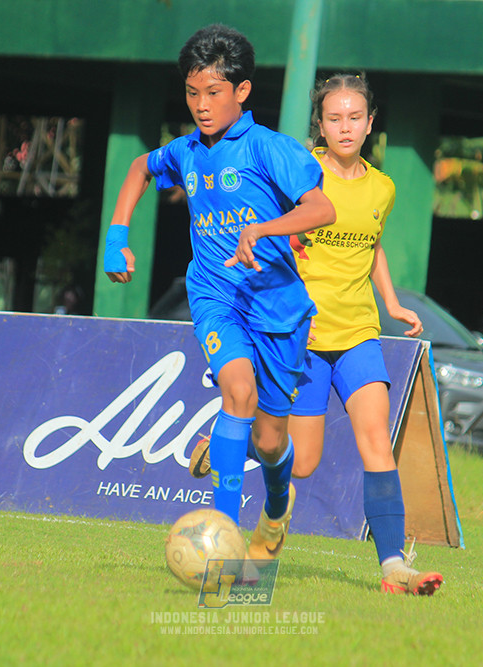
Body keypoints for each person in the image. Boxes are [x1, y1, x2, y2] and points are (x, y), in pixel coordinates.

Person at [190, 73, 443, 595]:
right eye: (334, 118)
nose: (345, 127)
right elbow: (256, 226)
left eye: (355, 117)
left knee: (377, 442)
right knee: (300, 462)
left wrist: (392, 303)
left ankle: (393, 568)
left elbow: (372, 244)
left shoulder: (383, 188)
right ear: (320, 126)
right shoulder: (295, 172)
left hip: (358, 333)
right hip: (299, 337)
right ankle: (227, 447)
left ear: (370, 124)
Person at [103, 24, 336, 561]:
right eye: (192, 93)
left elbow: (322, 209)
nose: (201, 106)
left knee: (272, 442)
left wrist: (262, 230)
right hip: (215, 298)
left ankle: (275, 507)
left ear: (242, 90)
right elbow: (140, 167)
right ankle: (223, 540)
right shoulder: (185, 151)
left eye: (213, 92)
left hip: (278, 309)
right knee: (237, 393)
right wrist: (117, 238)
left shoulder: (269, 148)